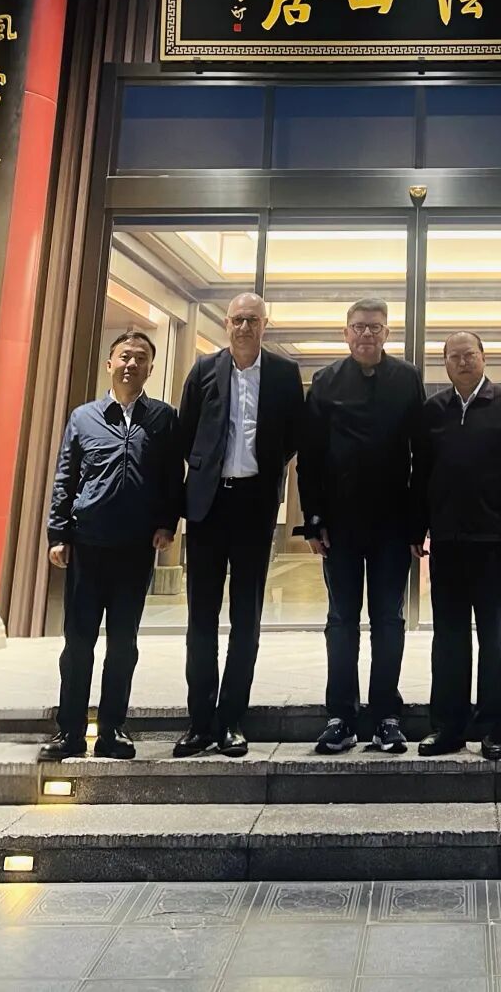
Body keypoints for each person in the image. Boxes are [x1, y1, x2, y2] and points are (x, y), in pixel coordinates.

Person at [41, 328, 182, 762]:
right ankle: (69, 731)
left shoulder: (163, 418)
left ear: (150, 369)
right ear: (109, 364)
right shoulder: (84, 417)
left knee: (123, 643)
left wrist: (167, 524)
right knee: (78, 642)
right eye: (124, 356)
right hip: (87, 543)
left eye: (140, 358)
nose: (131, 364)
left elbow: (172, 477)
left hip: (135, 547)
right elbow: (65, 476)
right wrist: (58, 534)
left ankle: (112, 730)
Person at [174, 292, 304, 758]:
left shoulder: (284, 374)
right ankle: (199, 721)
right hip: (208, 506)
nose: (245, 327)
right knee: (201, 616)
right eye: (238, 320)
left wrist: (263, 470)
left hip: (254, 504)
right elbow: (185, 434)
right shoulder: (204, 370)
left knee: (246, 616)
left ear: (265, 325)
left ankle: (231, 720)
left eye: (253, 320)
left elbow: (294, 436)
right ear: (226, 323)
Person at [298, 296, 425, 754]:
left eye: (374, 327)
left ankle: (387, 715)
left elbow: (422, 454)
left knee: (389, 620)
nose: (366, 334)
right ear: (345, 332)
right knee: (341, 621)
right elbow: (310, 456)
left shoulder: (407, 378)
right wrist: (313, 519)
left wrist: (418, 523)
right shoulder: (326, 380)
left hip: (393, 521)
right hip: (340, 524)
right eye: (358, 326)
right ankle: (341, 717)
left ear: (387, 333)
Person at [412, 331, 501, 761]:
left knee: (495, 638)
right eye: (454, 356)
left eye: (469, 354)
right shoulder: (433, 410)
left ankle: (494, 729)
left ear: (484, 356)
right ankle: (448, 727)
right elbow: (421, 473)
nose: (462, 362)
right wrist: (417, 527)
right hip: (446, 539)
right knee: (448, 638)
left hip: (492, 539)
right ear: (444, 362)